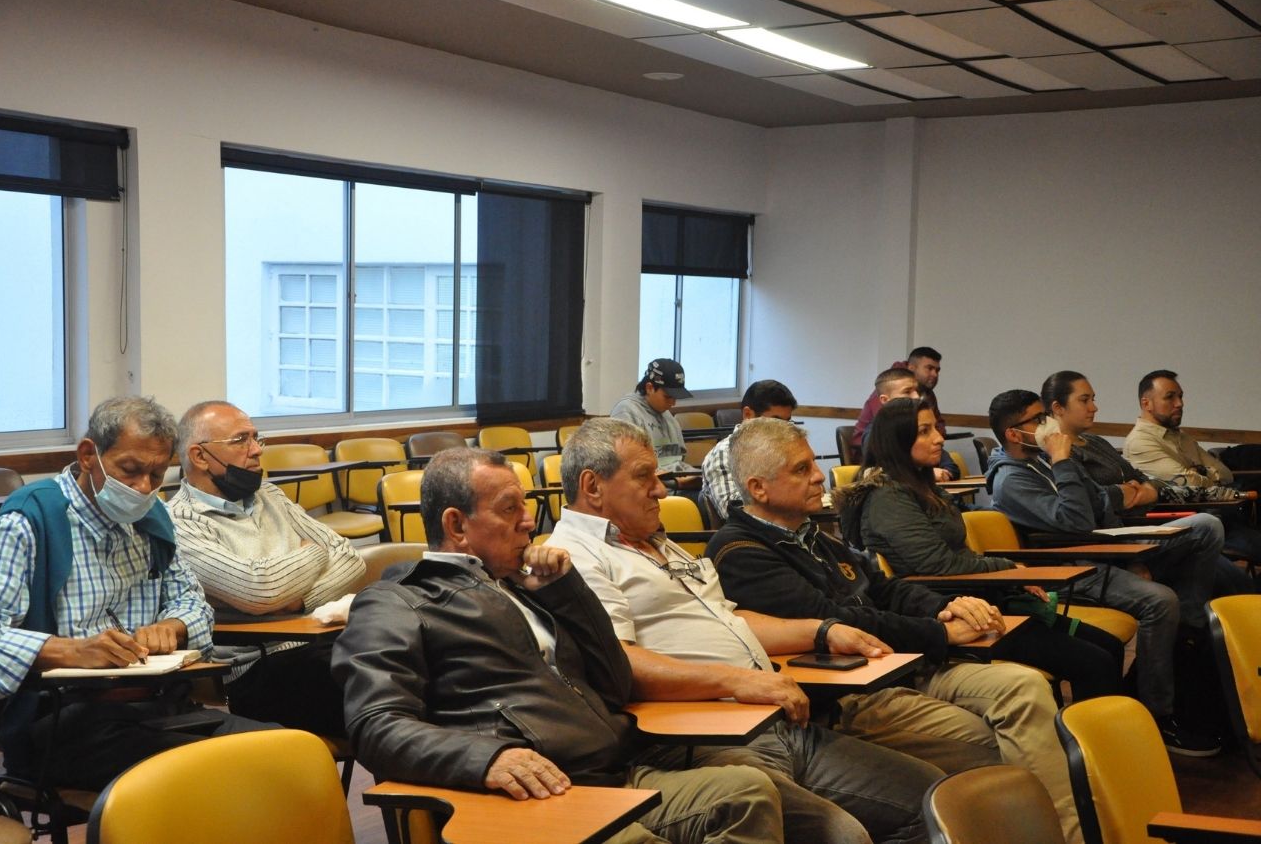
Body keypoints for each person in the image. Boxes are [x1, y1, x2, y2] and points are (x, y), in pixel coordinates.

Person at [549, 418, 988, 844]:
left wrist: (821, 631)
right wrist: (745, 681)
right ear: (592, 487)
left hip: (776, 716)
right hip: (708, 735)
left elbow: (731, 618)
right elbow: (623, 662)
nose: (662, 489)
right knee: (844, 835)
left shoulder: (656, 541)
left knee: (931, 797)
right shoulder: (576, 556)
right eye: (645, 477)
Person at [333, 447, 788, 844]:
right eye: (510, 509)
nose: (530, 522)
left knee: (747, 791)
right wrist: (489, 758)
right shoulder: (398, 601)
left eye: (526, 506)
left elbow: (615, 681)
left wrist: (566, 589)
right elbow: (376, 724)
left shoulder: (528, 588)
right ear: (456, 525)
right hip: (540, 793)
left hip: (615, 771)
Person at [713, 415, 1085, 844]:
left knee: (1024, 689)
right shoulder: (740, 551)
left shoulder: (812, 533)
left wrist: (947, 608)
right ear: (758, 488)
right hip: (856, 690)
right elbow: (842, 621)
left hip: (904, 663)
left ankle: (1069, 835)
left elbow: (887, 590)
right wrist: (939, 634)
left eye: (814, 463)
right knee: (1005, 744)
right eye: (801, 469)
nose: (819, 477)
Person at [0, 396, 267, 790]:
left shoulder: (152, 518)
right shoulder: (29, 521)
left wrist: (174, 624)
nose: (143, 487)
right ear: (87, 455)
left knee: (280, 752)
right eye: (130, 471)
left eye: (156, 474)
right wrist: (71, 650)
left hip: (159, 707)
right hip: (65, 723)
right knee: (219, 774)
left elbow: (196, 604)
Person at [836, 399, 1122, 702]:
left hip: (985, 599)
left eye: (936, 427)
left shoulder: (921, 485)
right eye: (924, 431)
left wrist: (1009, 574)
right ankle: (1085, 744)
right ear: (897, 441)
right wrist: (1008, 570)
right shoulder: (888, 497)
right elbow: (939, 565)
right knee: (1096, 663)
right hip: (954, 613)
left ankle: (1124, 735)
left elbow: (960, 557)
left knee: (1111, 647)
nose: (939, 437)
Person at [985, 389, 1221, 756]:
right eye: (1037, 419)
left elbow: (1101, 502)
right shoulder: (1012, 479)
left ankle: (1185, 633)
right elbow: (1077, 520)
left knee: (1206, 526)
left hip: (1105, 549)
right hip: (1068, 568)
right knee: (1160, 601)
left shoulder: (1045, 461)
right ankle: (1157, 715)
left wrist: (1130, 556)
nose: (1048, 424)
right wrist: (1063, 461)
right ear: (1015, 434)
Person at [166, 400, 365, 735]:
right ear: (200, 457)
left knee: (402, 662)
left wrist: (297, 601)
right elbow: (260, 590)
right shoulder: (180, 522)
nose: (257, 450)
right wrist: (314, 554)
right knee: (379, 690)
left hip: (320, 644)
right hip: (257, 667)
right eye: (240, 440)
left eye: (257, 438)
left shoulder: (270, 496)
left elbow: (351, 559)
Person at [1041, 371, 1252, 596]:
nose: (1094, 407)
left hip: (1139, 524)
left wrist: (1141, 490)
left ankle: (1194, 620)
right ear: (1058, 408)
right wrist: (1126, 492)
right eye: (1085, 400)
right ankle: (1193, 617)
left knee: (1240, 583)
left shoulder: (1096, 442)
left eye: (1093, 399)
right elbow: (1092, 500)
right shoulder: (1058, 454)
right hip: (1112, 537)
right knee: (1208, 526)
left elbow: (1145, 480)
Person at [1123, 369, 1261, 573]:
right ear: (1146, 404)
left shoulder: (1181, 437)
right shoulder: (1140, 442)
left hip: (1225, 515)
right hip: (1192, 524)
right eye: (1170, 397)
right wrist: (1201, 473)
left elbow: (1225, 473)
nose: (1179, 403)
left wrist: (1199, 472)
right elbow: (1189, 483)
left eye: (1180, 396)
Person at [700, 380, 797, 520]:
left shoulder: (784, 449)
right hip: (750, 538)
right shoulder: (724, 453)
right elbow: (735, 513)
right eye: (776, 422)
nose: (782, 430)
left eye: (787, 423)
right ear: (748, 415)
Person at [857, 367, 959, 481]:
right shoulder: (875, 433)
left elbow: (952, 468)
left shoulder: (922, 423)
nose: (916, 396)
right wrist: (927, 475)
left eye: (917, 391)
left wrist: (940, 474)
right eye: (907, 392)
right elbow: (882, 475)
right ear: (885, 400)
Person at [853, 348, 947, 457]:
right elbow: (890, 431)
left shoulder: (927, 392)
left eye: (937, 370)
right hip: (874, 459)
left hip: (915, 454)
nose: (935, 374)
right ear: (911, 368)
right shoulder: (890, 387)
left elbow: (938, 425)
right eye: (929, 368)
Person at [611, 358, 693, 473]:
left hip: (674, 482)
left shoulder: (666, 414)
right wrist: (675, 483)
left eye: (675, 398)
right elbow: (627, 467)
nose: (673, 403)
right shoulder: (626, 412)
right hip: (649, 486)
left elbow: (679, 458)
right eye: (668, 397)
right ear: (649, 388)